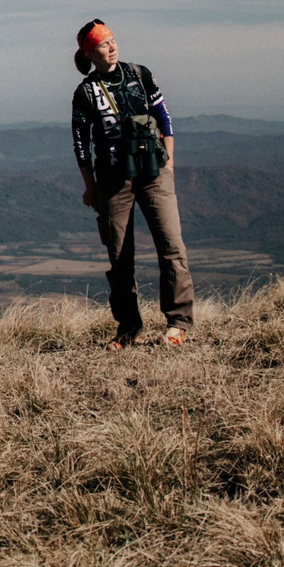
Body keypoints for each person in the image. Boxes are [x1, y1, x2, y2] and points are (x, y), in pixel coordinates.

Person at [71, 19, 193, 348]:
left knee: (171, 246)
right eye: (103, 43)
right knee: (120, 257)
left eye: (112, 40)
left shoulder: (140, 74)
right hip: (112, 179)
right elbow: (81, 143)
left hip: (153, 172)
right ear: (89, 51)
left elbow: (163, 116)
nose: (112, 46)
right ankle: (128, 327)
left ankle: (179, 322)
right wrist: (90, 185)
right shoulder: (85, 93)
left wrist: (169, 164)